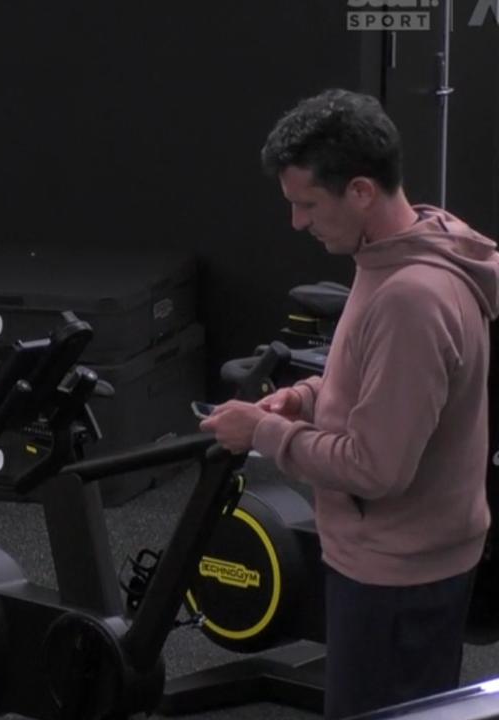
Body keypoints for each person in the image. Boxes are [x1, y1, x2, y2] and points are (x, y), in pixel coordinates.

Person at [200, 88, 499, 718]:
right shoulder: (394, 252)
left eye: (307, 204)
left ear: (361, 191)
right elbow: (381, 383)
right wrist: (309, 398)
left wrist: (263, 434)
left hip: (399, 576)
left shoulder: (411, 296)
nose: (298, 222)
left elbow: (376, 469)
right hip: (404, 562)